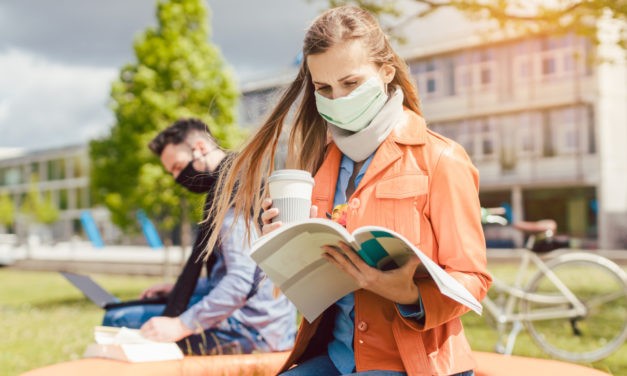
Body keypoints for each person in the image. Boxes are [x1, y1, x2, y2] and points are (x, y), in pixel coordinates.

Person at [205, 6, 491, 375]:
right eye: (324, 88)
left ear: (386, 72)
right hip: (335, 358)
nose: (338, 99)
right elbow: (311, 280)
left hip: (409, 364)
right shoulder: (317, 161)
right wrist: (281, 245)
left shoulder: (441, 159)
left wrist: (408, 294)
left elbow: (474, 279)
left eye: (351, 83)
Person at [102, 118, 296, 355]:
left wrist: (181, 325)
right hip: (267, 324)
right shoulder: (240, 180)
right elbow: (243, 273)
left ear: (201, 148)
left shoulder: (231, 197)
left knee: (116, 319)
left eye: (177, 166)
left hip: (251, 332)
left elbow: (240, 283)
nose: (177, 178)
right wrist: (177, 289)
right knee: (140, 311)